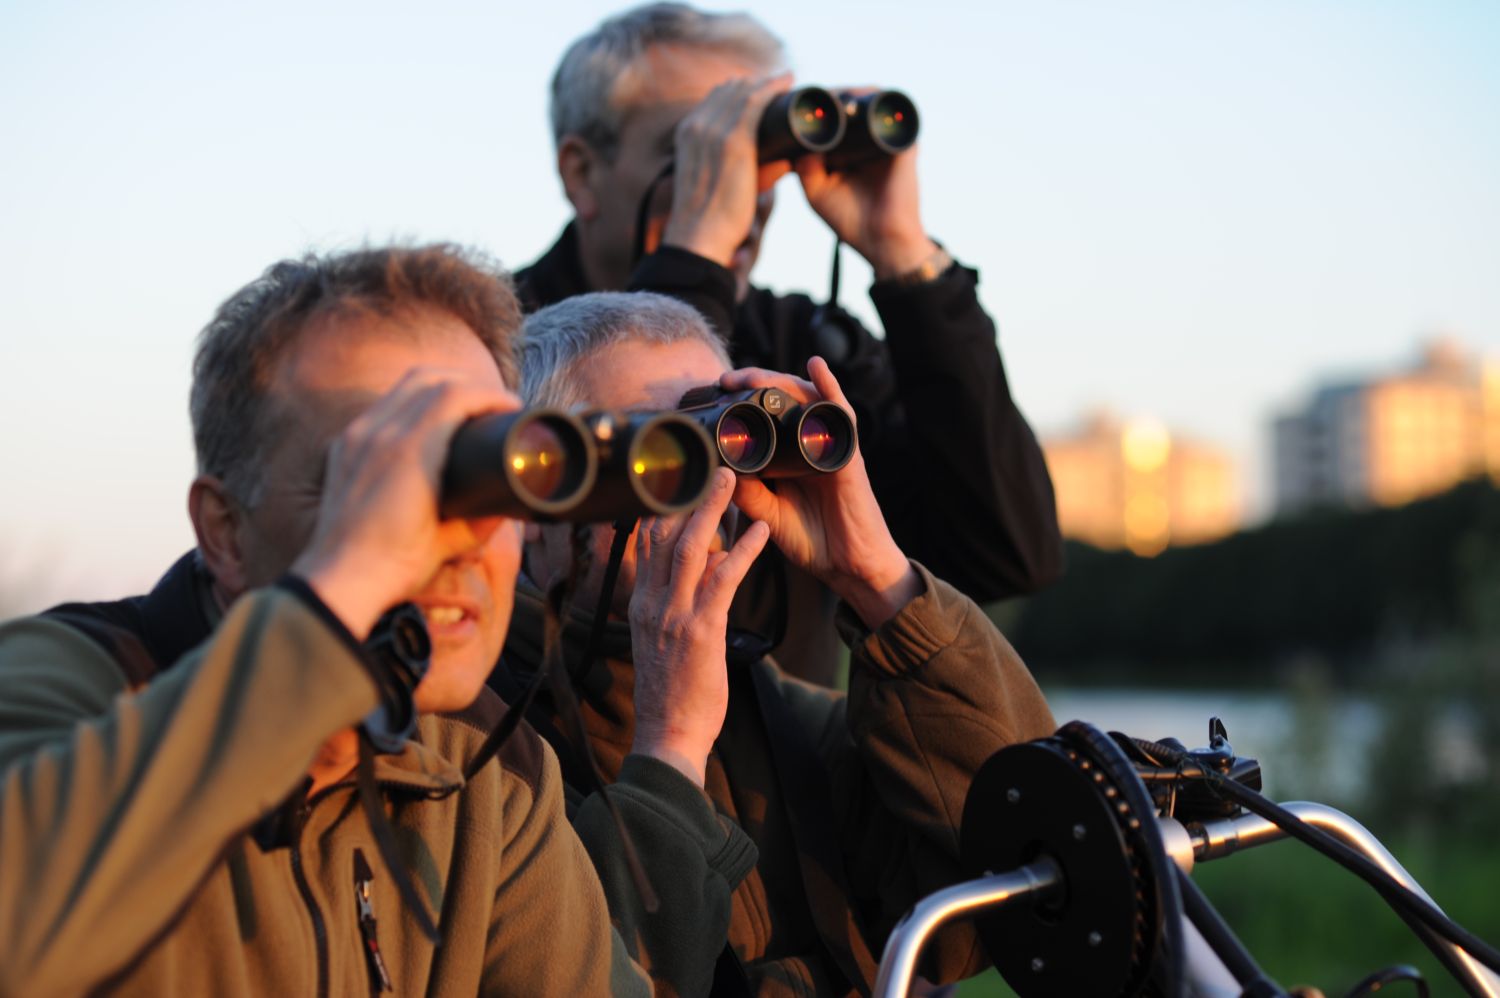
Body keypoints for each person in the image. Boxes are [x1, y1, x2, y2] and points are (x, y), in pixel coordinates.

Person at [0, 246, 743, 996]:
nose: (455, 538)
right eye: (370, 479)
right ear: (224, 531)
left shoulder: (487, 766)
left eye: (488, 477)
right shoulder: (67, 684)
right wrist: (343, 592)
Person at [491, 291, 1058, 996]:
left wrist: (879, 581)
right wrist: (670, 747)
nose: (703, 495)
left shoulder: (783, 721)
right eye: (656, 452)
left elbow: (1024, 861)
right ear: (533, 494)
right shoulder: (477, 743)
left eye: (717, 443)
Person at [517, 2, 1065, 683]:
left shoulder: (802, 346)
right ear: (582, 173)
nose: (742, 191)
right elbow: (648, 506)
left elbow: (1005, 555)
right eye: (695, 152)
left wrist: (908, 266)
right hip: (550, 771)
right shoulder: (498, 347)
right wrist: (695, 256)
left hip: (783, 777)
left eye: (759, 153)